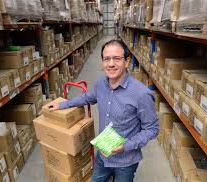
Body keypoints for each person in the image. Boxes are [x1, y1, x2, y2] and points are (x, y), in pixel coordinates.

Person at [48, 39, 159, 182]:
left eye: (117, 59)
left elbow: (152, 129)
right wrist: (63, 105)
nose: (111, 64)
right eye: (107, 59)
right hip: (103, 154)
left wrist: (125, 146)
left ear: (127, 61)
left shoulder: (141, 94)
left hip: (125, 161)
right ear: (102, 62)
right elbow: (88, 97)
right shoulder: (101, 83)